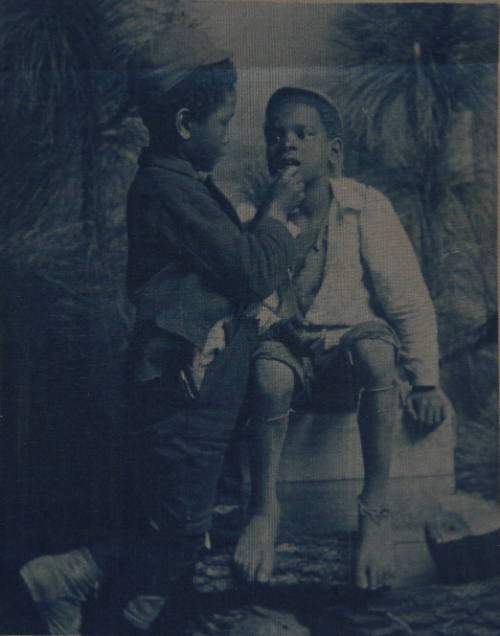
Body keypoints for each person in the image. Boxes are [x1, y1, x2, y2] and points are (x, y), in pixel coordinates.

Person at [15, 29, 305, 635]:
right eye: (224, 121)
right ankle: (68, 577)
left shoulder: (181, 184)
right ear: (182, 123)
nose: (231, 134)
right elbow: (250, 268)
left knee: (179, 519)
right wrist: (276, 213)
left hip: (197, 378)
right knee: (177, 529)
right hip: (184, 383)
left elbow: (227, 269)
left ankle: (110, 599)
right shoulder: (166, 190)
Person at [233, 87, 452, 591]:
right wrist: (278, 327)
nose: (287, 143)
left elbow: (407, 299)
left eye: (302, 134)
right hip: (287, 363)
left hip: (348, 363)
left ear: (333, 151)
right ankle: (263, 511)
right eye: (276, 136)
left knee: (376, 346)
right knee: (267, 371)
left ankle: (375, 511)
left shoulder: (363, 207)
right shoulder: (253, 218)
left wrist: (424, 381)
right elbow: (243, 305)